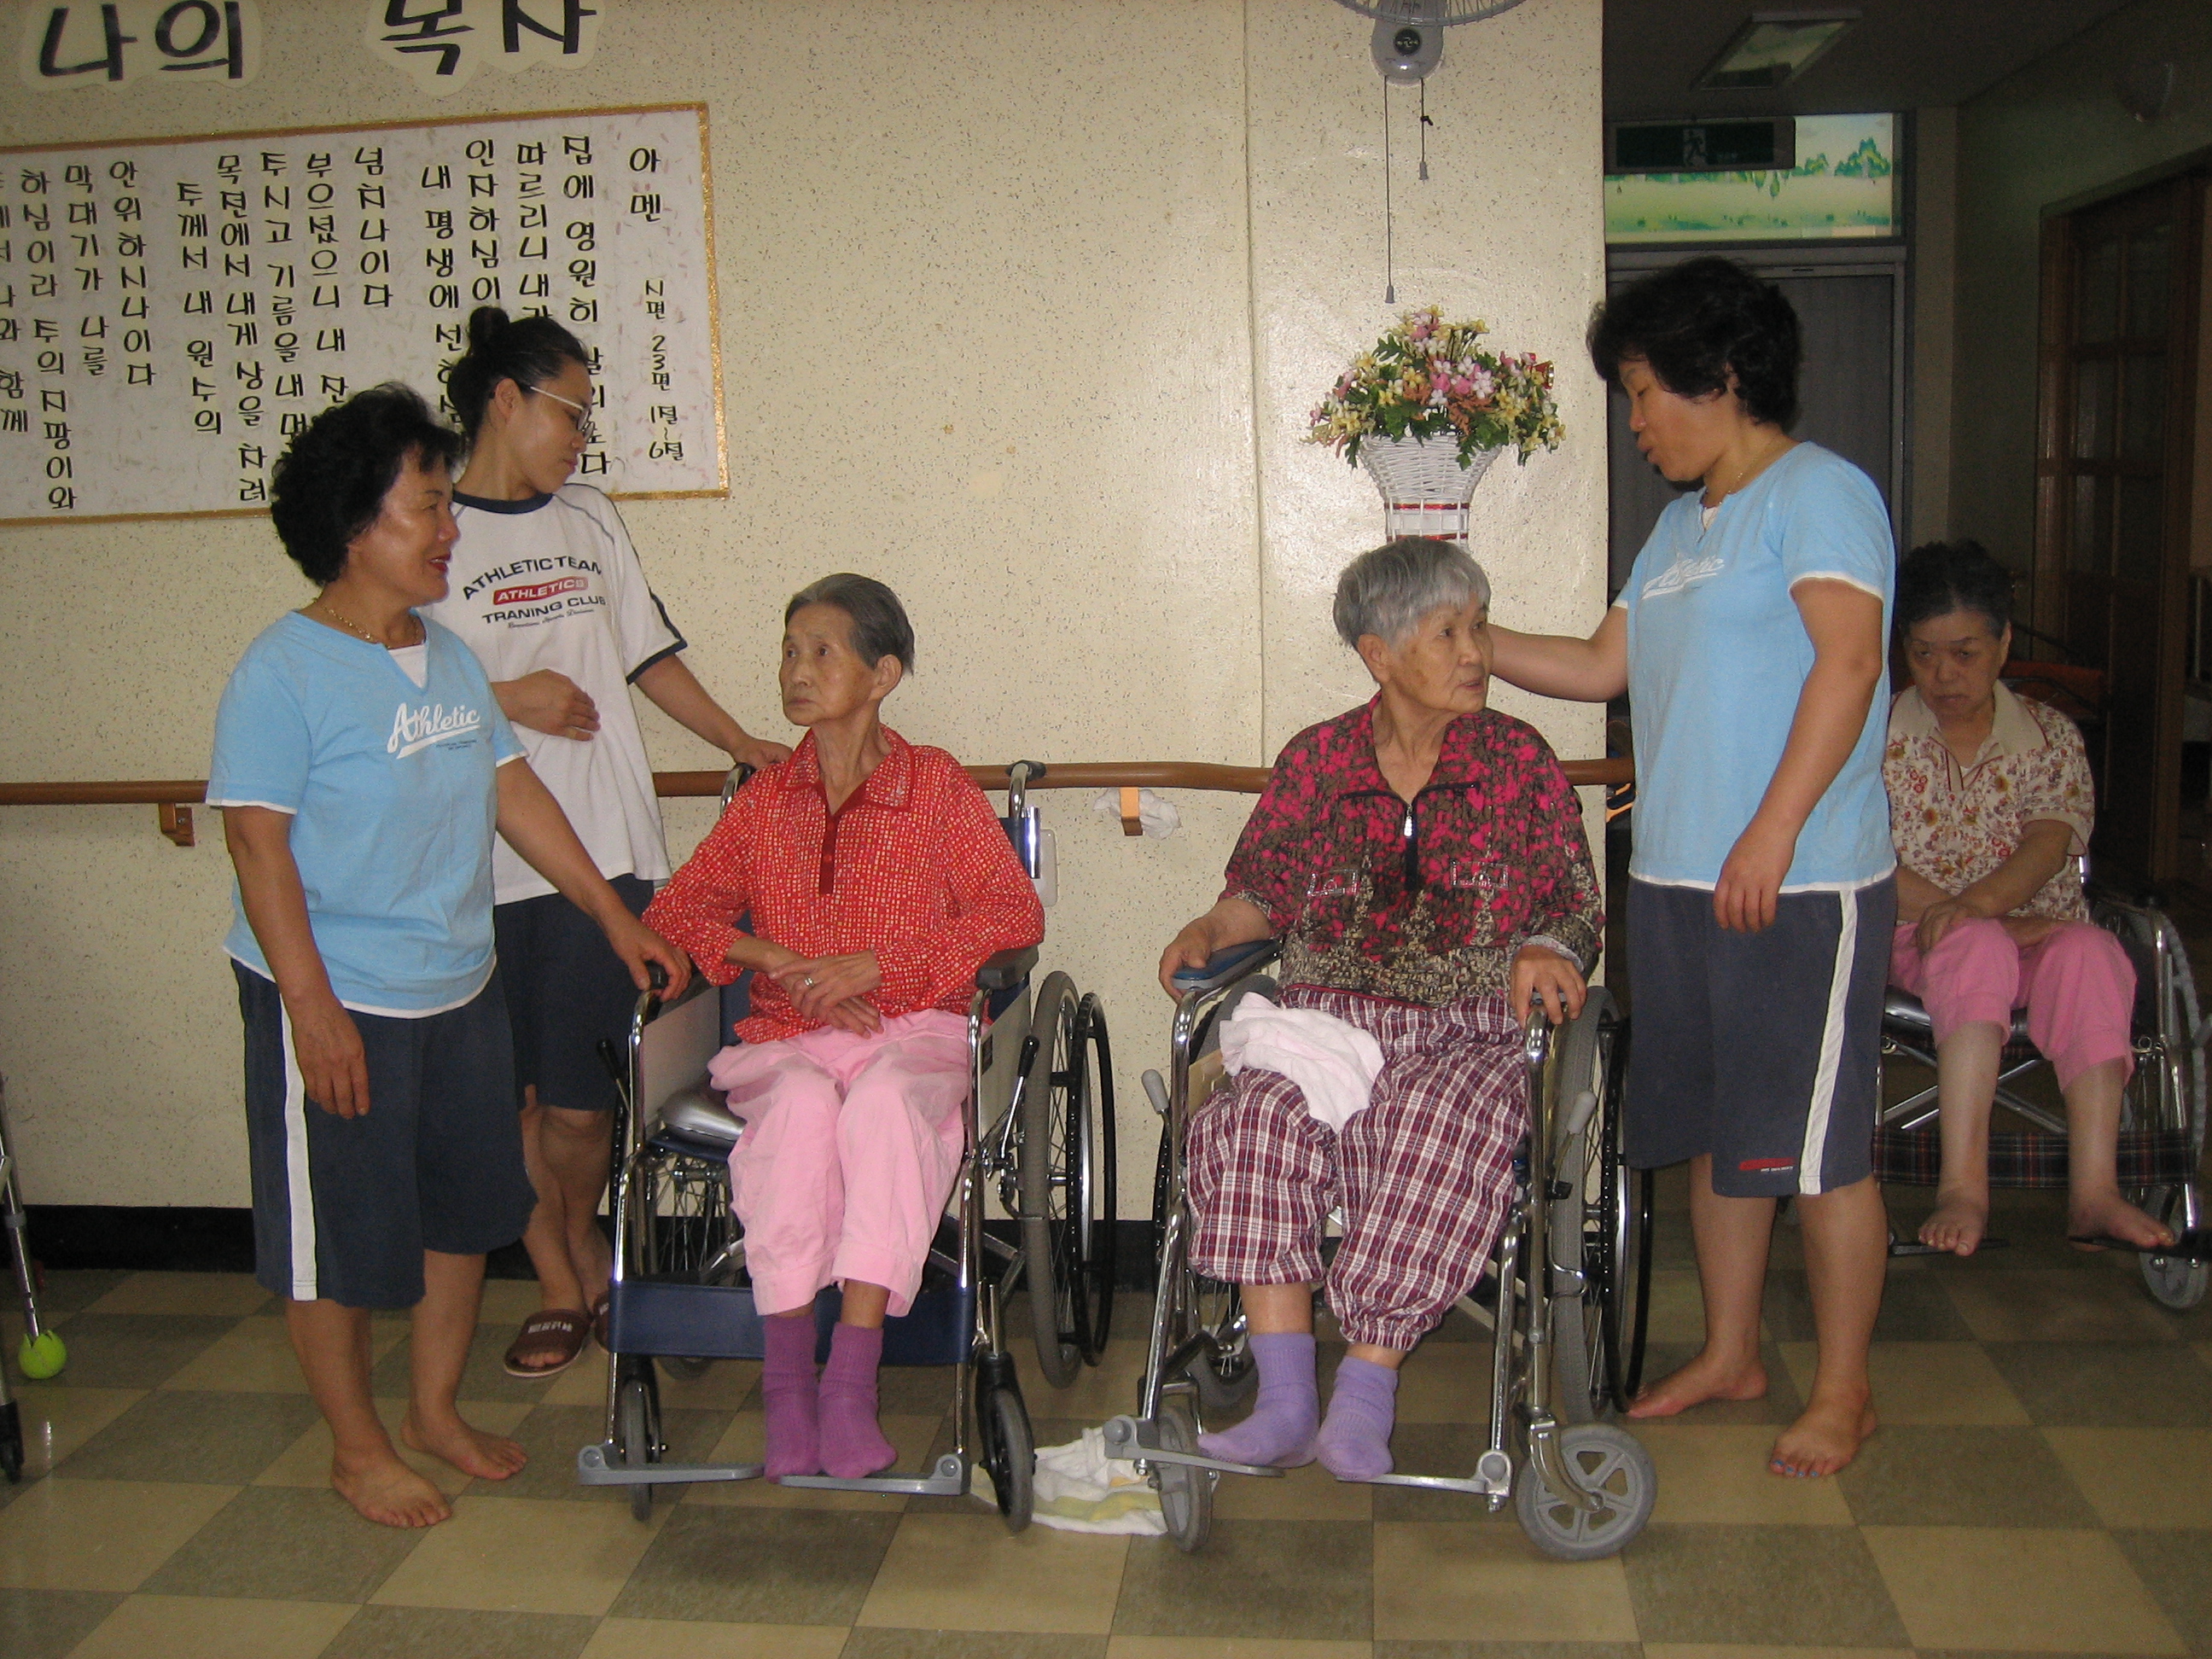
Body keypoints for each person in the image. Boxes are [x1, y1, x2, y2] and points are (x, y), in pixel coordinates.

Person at [208, 385, 690, 1528]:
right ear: (354, 526)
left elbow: (512, 793)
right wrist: (313, 1012)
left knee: (464, 1213)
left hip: (458, 986)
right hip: (336, 998)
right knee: (336, 1236)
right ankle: (356, 1448)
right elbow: (257, 847)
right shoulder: (282, 671)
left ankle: (432, 1411)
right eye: (426, 507)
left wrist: (614, 917)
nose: (447, 530)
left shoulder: (447, 657)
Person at [1486, 255, 1895, 1479]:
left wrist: (1772, 829)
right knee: (1722, 1132)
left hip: (1799, 881)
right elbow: (1602, 669)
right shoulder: (1678, 527)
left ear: (1720, 375)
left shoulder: (1820, 494)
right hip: (1674, 880)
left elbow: (1850, 665)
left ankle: (1846, 1390)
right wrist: (1464, 640)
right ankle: (1731, 1353)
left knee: (1817, 1148)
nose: (1636, 421)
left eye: (1644, 391)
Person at [1156, 537, 1600, 1481]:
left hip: (1468, 1032)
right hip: (1325, 1028)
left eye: (1478, 627)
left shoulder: (1518, 760)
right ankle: (1285, 1404)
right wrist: (1209, 927)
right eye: (1449, 634)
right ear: (1379, 654)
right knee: (1249, 1120)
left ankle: (1363, 1395)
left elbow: (1574, 905)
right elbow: (1261, 892)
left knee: (1435, 1120)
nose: (1476, 652)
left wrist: (1548, 947)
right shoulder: (1316, 761)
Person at [426, 307, 789, 1380]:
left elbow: (647, 655)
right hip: (474, 862)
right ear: (505, 401)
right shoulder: (431, 527)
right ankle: (558, 1276)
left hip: (608, 850)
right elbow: (394, 680)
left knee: (584, 1106)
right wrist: (508, 699)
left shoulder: (589, 517)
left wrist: (740, 742)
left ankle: (581, 1237)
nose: (583, 438)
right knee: (507, 1102)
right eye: (571, 412)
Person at [643, 574, 1045, 1480]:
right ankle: (788, 1389)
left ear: (882, 674)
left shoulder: (933, 784)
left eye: (822, 652)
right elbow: (677, 911)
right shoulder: (766, 799)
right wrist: (777, 960)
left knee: (884, 1108)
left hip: (914, 1032)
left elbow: (1011, 913)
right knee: (795, 1116)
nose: (797, 670)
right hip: (788, 1039)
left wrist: (879, 966)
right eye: (790, 651)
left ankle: (849, 1389)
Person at [1885, 539, 2170, 1257]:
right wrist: (1972, 917)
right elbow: (1865, 861)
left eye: (1965, 654)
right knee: (1976, 945)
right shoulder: (1874, 737)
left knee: (2093, 953)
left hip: (2037, 932)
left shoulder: (2050, 738)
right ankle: (1963, 1185)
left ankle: (2095, 1191)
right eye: (1923, 655)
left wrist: (1982, 908)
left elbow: (2047, 845)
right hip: (1914, 935)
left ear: (2004, 643)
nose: (1944, 675)